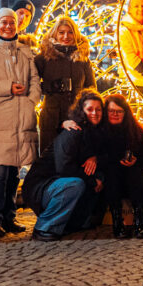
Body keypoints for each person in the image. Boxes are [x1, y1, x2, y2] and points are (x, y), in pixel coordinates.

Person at [0, 7, 42, 238]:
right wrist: (7, 89)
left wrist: (31, 101)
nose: (7, 27)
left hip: (22, 115)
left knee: (14, 172)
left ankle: (9, 216)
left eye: (11, 23)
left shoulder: (26, 51)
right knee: (0, 171)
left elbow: (35, 79)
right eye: (3, 22)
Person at [22, 90, 106, 241]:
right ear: (82, 111)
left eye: (98, 109)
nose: (94, 113)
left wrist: (96, 158)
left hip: (57, 182)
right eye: (90, 109)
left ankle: (73, 223)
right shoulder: (72, 132)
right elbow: (64, 169)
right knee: (76, 184)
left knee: (98, 177)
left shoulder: (95, 134)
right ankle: (44, 227)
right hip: (41, 186)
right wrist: (92, 181)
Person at [35, 16, 95, 153]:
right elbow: (32, 84)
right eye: (61, 32)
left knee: (73, 160)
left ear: (76, 34)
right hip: (51, 119)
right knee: (50, 162)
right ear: (55, 34)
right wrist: (51, 86)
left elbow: (91, 89)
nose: (66, 36)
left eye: (70, 32)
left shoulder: (83, 59)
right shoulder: (43, 57)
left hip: (77, 118)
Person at [101, 94, 143, 238]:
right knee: (112, 173)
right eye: (111, 111)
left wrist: (136, 161)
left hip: (134, 181)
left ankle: (139, 220)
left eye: (119, 111)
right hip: (112, 181)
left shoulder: (135, 132)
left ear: (125, 113)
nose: (115, 114)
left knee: (134, 172)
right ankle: (117, 221)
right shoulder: (100, 132)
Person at [118, 0, 143, 94]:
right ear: (129, 9)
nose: (140, 10)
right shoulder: (123, 30)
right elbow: (130, 58)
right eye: (136, 6)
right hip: (132, 83)